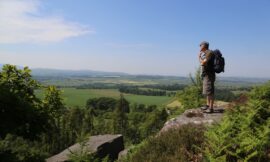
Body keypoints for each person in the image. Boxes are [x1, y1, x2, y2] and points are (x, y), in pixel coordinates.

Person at [198, 41, 215, 113]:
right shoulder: (206, 53)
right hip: (206, 75)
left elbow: (203, 63)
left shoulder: (209, 53)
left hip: (209, 75)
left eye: (200, 45)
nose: (199, 47)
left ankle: (211, 108)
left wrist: (199, 57)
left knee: (210, 91)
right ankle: (207, 105)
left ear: (204, 46)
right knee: (208, 91)